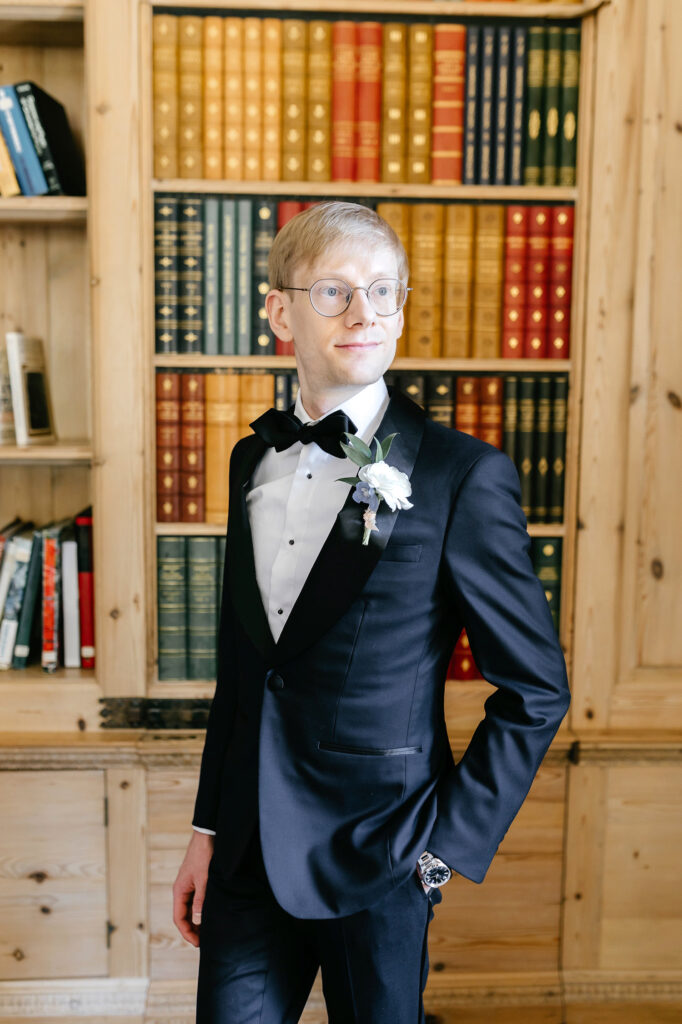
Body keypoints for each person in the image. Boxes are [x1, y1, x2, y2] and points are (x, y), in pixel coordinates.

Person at [172, 200, 570, 1024]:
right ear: (278, 310)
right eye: (334, 293)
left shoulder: (465, 475)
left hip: (384, 855)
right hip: (246, 853)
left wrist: (442, 853)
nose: (364, 314)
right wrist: (207, 829)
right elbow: (246, 674)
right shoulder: (253, 457)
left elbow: (535, 691)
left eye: (383, 292)